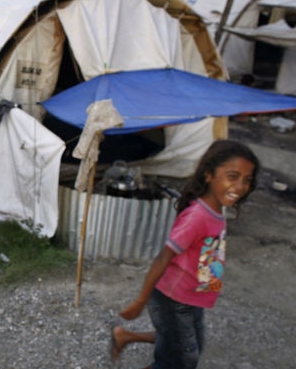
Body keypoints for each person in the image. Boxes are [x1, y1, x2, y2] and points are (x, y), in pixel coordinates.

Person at [110, 139, 260, 368]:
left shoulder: (216, 210)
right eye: (233, 176)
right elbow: (163, 258)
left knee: (183, 347)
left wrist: (207, 288)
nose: (240, 186)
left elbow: (207, 255)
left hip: (192, 296)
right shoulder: (197, 216)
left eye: (247, 180)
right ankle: (129, 339)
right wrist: (140, 301)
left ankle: (125, 336)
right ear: (208, 175)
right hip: (173, 297)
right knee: (183, 358)